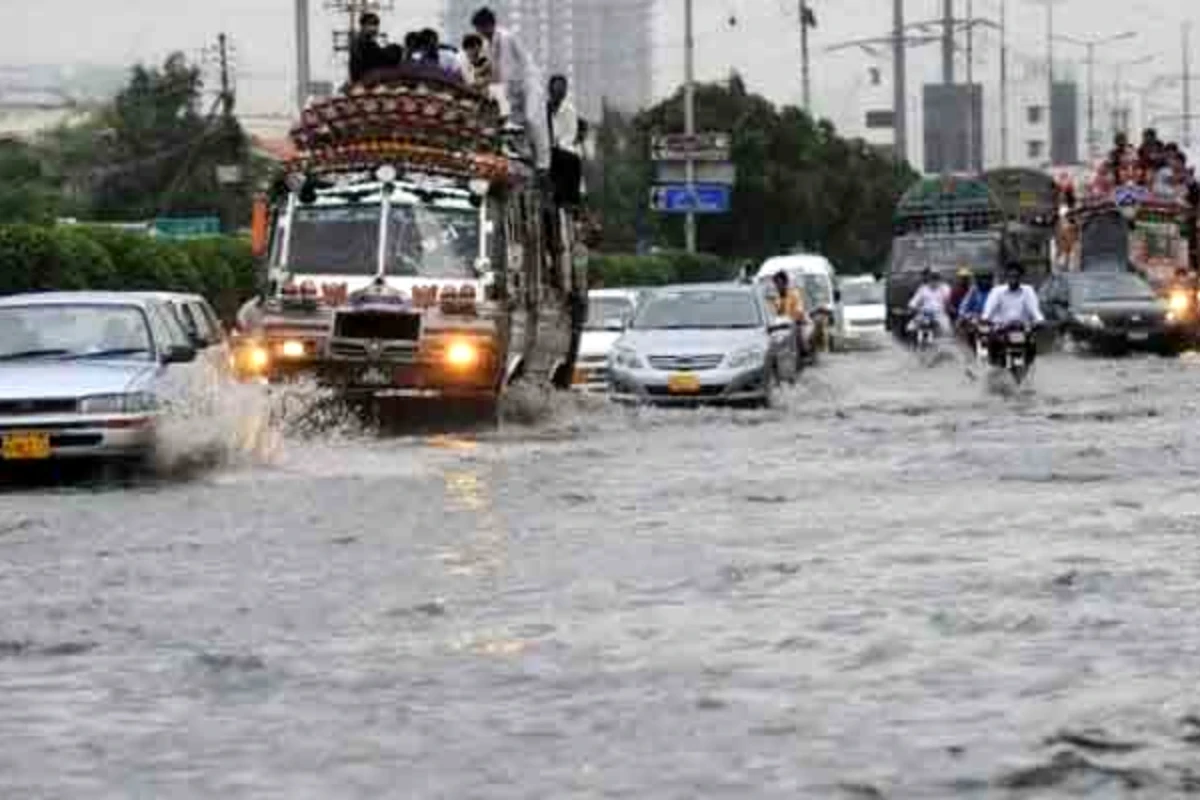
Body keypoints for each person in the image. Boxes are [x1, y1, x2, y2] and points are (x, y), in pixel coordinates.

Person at [472, 6, 551, 172]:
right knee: (512, 125)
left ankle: (544, 163)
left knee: (533, 119)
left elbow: (512, 68)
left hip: (529, 83)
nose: (481, 32)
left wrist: (502, 97)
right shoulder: (487, 46)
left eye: (481, 28)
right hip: (511, 89)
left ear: (489, 24)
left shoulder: (508, 37)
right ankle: (526, 156)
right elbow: (493, 75)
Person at [981, 261, 1044, 366]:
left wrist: (1039, 321)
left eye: (1016, 276)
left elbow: (1035, 311)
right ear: (1006, 277)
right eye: (1011, 276)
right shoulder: (997, 291)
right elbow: (988, 313)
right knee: (991, 342)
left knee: (1032, 344)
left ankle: (1028, 368)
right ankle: (993, 368)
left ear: (1021, 277)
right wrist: (986, 319)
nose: (1014, 279)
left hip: (1022, 329)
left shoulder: (1028, 291)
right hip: (1002, 329)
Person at [547, 74, 583, 208]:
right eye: (556, 89)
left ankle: (570, 200)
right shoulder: (543, 109)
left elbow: (570, 134)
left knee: (573, 160)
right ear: (550, 90)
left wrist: (557, 144)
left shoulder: (570, 110)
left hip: (561, 148)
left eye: (562, 90)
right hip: (544, 147)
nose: (559, 93)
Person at [349, 12, 402, 82]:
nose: (374, 28)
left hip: (369, 74)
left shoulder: (368, 41)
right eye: (370, 24)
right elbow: (374, 59)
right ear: (363, 26)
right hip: (365, 76)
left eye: (376, 25)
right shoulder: (361, 42)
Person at [771, 270, 809, 359]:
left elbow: (799, 309)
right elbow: (772, 313)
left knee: (797, 329)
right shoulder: (775, 297)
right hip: (779, 324)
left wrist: (796, 318)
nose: (778, 286)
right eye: (776, 283)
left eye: (780, 283)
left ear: (785, 283)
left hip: (794, 322)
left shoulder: (794, 294)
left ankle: (803, 352)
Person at [907, 268, 951, 337]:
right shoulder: (923, 289)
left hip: (939, 314)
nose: (934, 281)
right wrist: (913, 306)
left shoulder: (945, 288)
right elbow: (913, 302)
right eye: (932, 278)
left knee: (947, 330)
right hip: (924, 314)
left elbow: (949, 301)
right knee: (910, 328)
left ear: (940, 279)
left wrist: (947, 307)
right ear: (929, 279)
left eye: (936, 278)